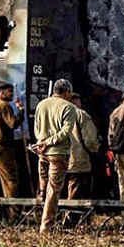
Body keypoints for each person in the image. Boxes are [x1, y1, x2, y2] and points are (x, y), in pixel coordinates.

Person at [31, 78, 77, 233]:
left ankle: (36, 219)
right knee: (53, 189)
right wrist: (49, 142)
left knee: (42, 187)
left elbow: (36, 128)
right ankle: (47, 226)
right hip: (58, 152)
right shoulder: (69, 107)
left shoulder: (41, 104)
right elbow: (66, 131)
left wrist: (41, 142)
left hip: (42, 152)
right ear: (66, 92)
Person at [66, 95, 99, 200]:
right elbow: (90, 140)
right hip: (78, 158)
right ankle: (71, 215)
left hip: (58, 158)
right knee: (76, 190)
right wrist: (94, 150)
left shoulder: (55, 113)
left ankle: (56, 214)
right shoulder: (81, 114)